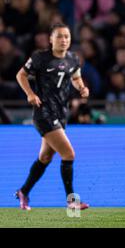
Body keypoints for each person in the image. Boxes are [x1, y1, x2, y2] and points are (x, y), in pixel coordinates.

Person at [14, 23, 90, 211]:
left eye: (66, 37)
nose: (63, 40)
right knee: (68, 154)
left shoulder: (73, 59)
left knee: (45, 157)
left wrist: (81, 87)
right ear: (51, 39)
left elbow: (75, 77)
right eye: (59, 36)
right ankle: (72, 201)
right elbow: (21, 75)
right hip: (44, 113)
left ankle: (23, 192)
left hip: (61, 113)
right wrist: (30, 94)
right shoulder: (40, 58)